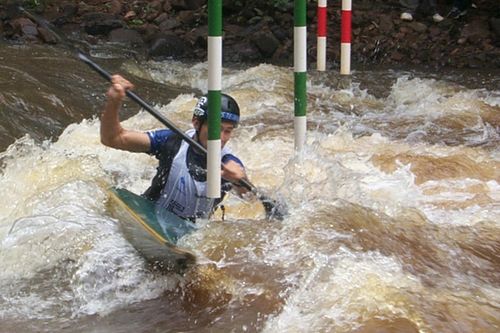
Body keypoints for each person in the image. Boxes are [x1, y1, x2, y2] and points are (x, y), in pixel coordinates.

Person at [101, 74, 250, 222]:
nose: (222, 138)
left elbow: (249, 199)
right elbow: (113, 139)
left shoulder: (229, 164)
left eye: (228, 131)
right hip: (151, 219)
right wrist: (114, 102)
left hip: (194, 234)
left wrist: (239, 180)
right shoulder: (171, 141)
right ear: (196, 123)